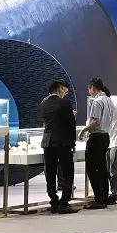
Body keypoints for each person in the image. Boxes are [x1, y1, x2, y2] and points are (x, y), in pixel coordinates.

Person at [42, 79, 79, 214]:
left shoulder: (43, 103)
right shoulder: (65, 103)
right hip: (63, 143)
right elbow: (71, 125)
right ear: (60, 89)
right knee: (68, 174)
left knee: (50, 173)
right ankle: (64, 204)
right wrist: (73, 142)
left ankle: (54, 202)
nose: (65, 93)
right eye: (65, 90)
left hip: (48, 143)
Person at [78, 77, 113, 210]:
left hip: (97, 137)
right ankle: (104, 197)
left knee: (93, 169)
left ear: (92, 87)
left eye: (89, 88)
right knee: (102, 168)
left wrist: (83, 130)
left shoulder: (97, 101)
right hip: (105, 136)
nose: (89, 91)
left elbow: (96, 122)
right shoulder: (109, 100)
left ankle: (99, 199)